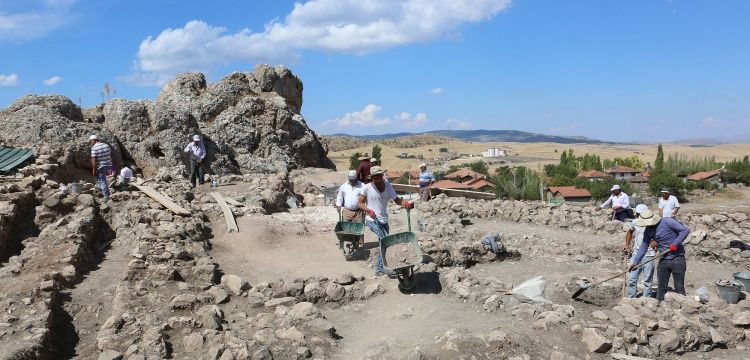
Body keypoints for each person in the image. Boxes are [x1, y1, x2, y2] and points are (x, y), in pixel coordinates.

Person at [358, 166, 413, 276]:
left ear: (382, 176)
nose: (378, 179)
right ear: (372, 178)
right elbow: (360, 203)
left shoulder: (388, 186)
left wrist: (405, 204)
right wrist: (369, 210)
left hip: (384, 220)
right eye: (375, 178)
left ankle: (381, 268)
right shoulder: (367, 188)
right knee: (385, 241)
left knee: (383, 243)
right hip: (372, 219)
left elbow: (396, 200)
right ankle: (382, 269)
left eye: (379, 177)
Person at [629, 208, 690, 301]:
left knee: (679, 287)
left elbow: (685, 230)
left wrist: (675, 243)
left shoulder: (668, 221)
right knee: (661, 287)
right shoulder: (648, 231)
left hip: (677, 258)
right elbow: (644, 246)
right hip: (664, 258)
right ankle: (659, 308)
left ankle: (682, 311)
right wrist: (636, 261)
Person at [624, 204, 656, 298]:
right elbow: (630, 232)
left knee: (647, 281)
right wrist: (627, 244)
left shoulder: (653, 223)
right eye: (637, 214)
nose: (638, 216)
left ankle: (646, 300)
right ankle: (631, 299)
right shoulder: (635, 222)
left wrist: (656, 242)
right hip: (636, 254)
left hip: (649, 254)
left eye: (639, 214)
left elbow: (660, 236)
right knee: (632, 279)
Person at [336, 170, 365, 245]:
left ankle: (360, 243)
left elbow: (366, 197)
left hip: (358, 211)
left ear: (356, 178)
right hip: (347, 211)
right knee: (345, 228)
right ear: (348, 178)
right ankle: (345, 240)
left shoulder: (362, 186)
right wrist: (339, 205)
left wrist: (366, 208)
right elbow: (340, 196)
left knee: (359, 228)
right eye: (350, 180)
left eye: (354, 180)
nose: (352, 181)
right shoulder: (344, 186)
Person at [89, 134, 112, 201]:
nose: (91, 143)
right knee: (100, 178)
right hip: (109, 165)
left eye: (91, 141)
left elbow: (94, 161)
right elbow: (109, 155)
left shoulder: (94, 148)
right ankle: (100, 190)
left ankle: (106, 197)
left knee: (102, 180)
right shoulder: (106, 145)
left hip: (102, 166)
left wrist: (94, 170)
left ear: (93, 140)